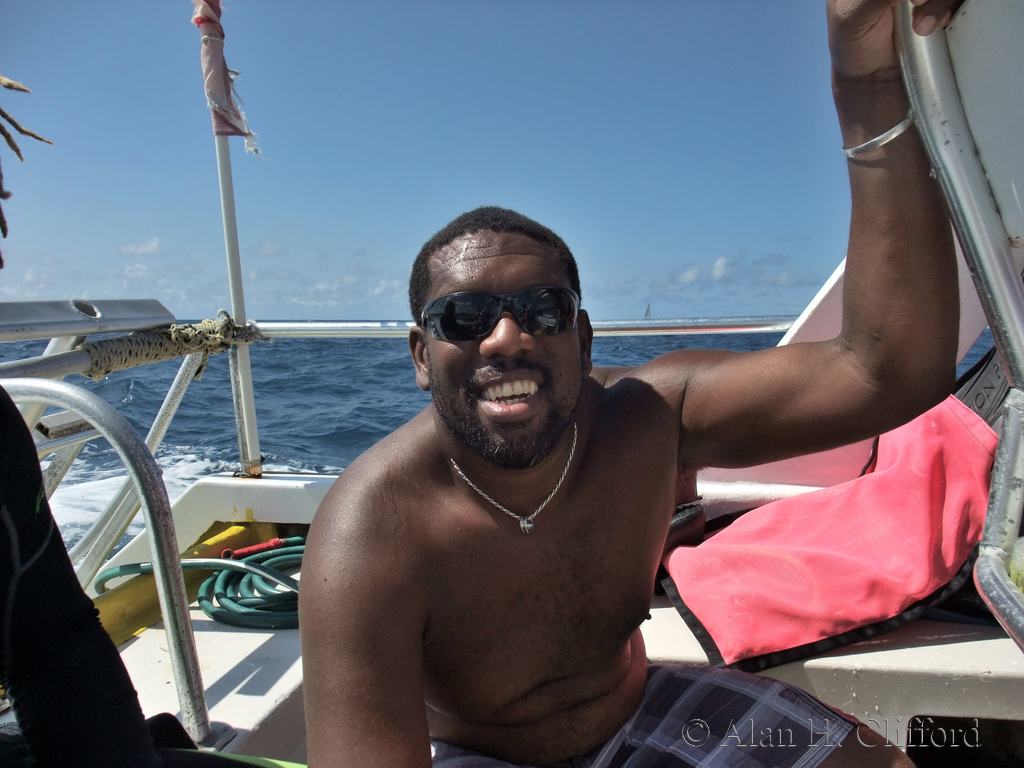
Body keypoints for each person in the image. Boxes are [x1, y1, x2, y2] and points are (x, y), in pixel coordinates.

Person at [299, 0, 965, 766]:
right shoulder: (369, 532)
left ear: (582, 340)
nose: (507, 337)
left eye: (542, 311)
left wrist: (866, 74)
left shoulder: (650, 420)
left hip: (646, 711)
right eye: (464, 318)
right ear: (421, 355)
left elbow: (887, 370)